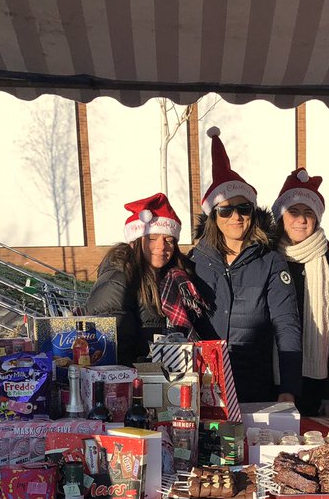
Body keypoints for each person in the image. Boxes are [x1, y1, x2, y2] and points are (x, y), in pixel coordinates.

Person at [189, 128, 302, 403]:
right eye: (226, 210)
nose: (235, 217)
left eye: (244, 209)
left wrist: (289, 387)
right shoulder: (194, 260)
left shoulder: (271, 261)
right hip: (205, 383)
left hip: (254, 383)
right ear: (214, 216)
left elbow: (286, 324)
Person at [85, 193, 213, 366]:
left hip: (164, 373)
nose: (161, 247)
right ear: (134, 241)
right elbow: (113, 345)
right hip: (134, 380)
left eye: (169, 240)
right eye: (152, 239)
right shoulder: (118, 279)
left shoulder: (173, 278)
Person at [272, 168, 329, 416]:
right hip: (272, 376)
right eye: (294, 212)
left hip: (315, 380)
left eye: (308, 213)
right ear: (281, 216)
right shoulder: (268, 259)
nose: (301, 220)